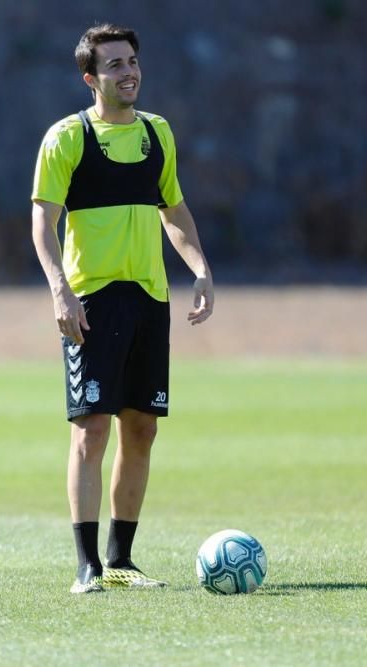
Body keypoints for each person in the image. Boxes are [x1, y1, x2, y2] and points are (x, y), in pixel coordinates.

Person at [31, 23, 215, 594]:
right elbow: (43, 222)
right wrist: (60, 291)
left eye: (131, 61)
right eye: (113, 65)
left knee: (141, 430)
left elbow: (175, 211)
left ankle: (121, 562)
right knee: (90, 432)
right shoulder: (66, 139)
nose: (127, 71)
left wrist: (201, 269)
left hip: (149, 299)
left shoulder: (158, 134)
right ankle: (86, 566)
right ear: (91, 79)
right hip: (92, 300)